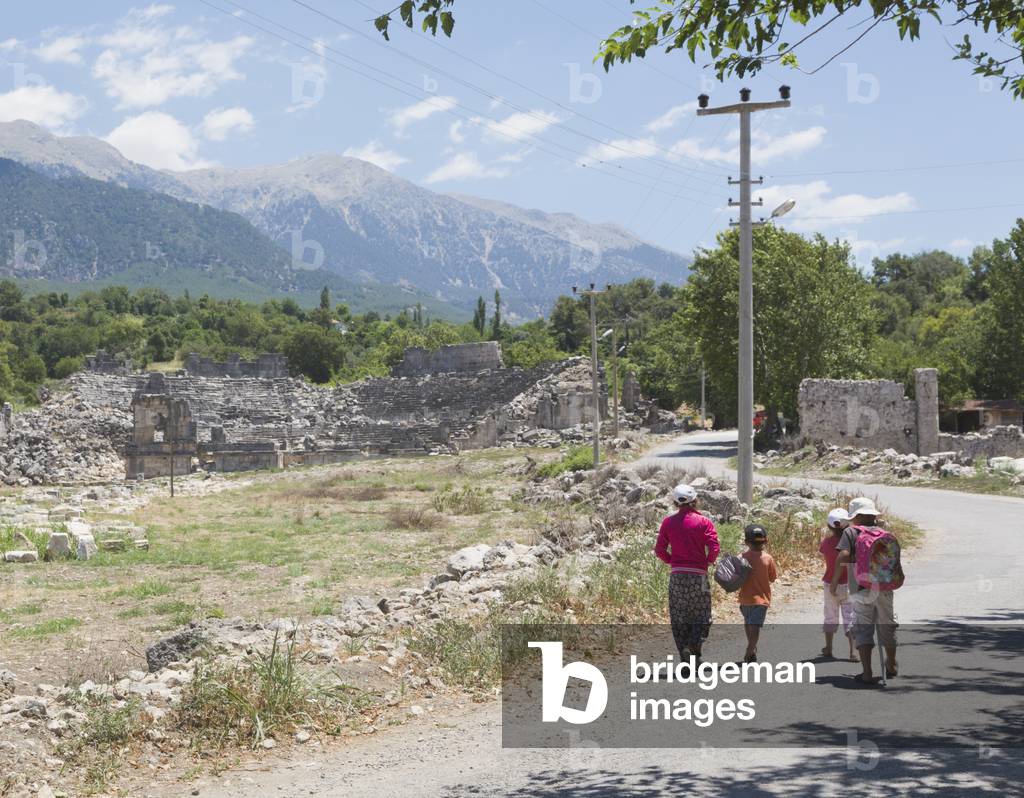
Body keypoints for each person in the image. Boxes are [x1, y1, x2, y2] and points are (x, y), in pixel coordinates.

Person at [832, 497, 902, 685]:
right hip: (885, 582)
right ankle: (892, 663)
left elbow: (844, 555)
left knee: (863, 626)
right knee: (887, 622)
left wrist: (835, 579)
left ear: (859, 516)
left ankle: (867, 672)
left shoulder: (851, 532)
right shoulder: (884, 532)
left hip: (859, 582)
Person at [654, 484, 720, 662]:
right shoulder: (704, 522)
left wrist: (672, 561)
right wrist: (708, 561)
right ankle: (695, 645)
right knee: (702, 613)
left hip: (677, 576)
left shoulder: (668, 522)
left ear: (675, 502)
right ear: (695, 501)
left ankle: (685, 653)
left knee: (679, 615)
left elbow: (659, 550)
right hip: (699, 575)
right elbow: (714, 546)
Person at [737, 524, 777, 663]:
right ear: (765, 541)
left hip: (745, 599)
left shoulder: (741, 557)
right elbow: (772, 577)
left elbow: (735, 576)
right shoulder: (768, 559)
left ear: (746, 542)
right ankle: (750, 649)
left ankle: (752, 648)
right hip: (761, 599)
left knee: (748, 624)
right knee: (754, 625)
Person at [820, 508, 856, 661]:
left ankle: (828, 647)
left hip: (830, 584)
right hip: (849, 585)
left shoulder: (826, 543)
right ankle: (853, 651)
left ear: (829, 527)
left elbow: (825, 554)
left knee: (830, 616)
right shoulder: (854, 542)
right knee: (850, 618)